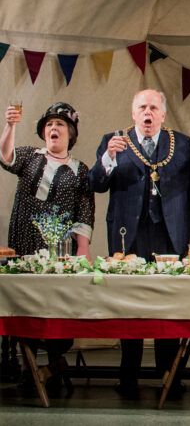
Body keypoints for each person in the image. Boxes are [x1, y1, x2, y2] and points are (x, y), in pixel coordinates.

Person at [89, 89, 190, 399]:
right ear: (133, 113)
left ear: (163, 114)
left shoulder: (182, 144)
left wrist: (187, 234)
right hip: (128, 232)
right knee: (129, 301)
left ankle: (169, 372)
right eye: (142, 107)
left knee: (169, 301)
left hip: (168, 231)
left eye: (153, 108)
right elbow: (96, 184)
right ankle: (129, 373)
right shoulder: (114, 140)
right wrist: (108, 156)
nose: (147, 113)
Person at [2, 102, 95, 397]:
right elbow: (5, 157)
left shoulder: (81, 171)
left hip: (58, 251)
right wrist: (10, 125)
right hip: (24, 240)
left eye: (60, 125)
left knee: (56, 308)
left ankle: (54, 363)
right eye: (49, 125)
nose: (53, 129)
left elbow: (85, 213)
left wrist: (82, 251)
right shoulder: (31, 156)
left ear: (71, 133)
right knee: (23, 304)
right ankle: (28, 366)